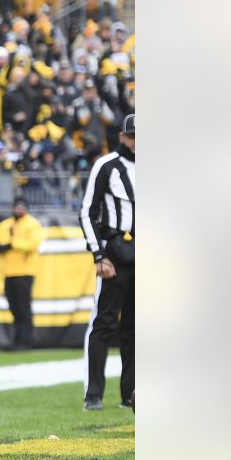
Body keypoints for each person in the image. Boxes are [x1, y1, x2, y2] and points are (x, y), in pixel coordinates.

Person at [79, 113, 135, 411]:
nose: (138, 143)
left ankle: (131, 394)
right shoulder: (107, 165)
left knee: (137, 328)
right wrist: (99, 255)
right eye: (133, 136)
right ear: (123, 137)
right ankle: (93, 394)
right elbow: (87, 211)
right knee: (104, 324)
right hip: (115, 254)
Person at [0, 198, 43, 350]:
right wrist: (4, 246)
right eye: (17, 207)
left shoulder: (32, 223)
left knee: (24, 308)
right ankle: (17, 341)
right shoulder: (5, 224)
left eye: (22, 207)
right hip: (8, 273)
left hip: (25, 272)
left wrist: (13, 244)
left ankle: (26, 341)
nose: (19, 210)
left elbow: (33, 245)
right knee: (14, 309)